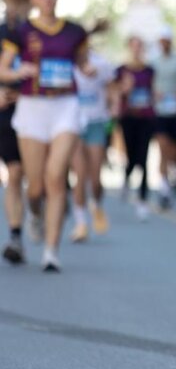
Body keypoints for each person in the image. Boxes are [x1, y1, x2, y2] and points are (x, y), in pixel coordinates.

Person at [0, 0, 91, 272]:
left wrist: (90, 71)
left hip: (65, 106)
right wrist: (18, 72)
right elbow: (3, 70)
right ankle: (34, 214)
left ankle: (51, 251)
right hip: (32, 108)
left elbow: (82, 62)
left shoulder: (74, 31)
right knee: (35, 186)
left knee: (56, 177)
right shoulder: (21, 32)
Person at [0, 0, 33, 265]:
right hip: (4, 114)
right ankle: (15, 235)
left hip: (32, 113)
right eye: (11, 0)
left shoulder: (36, 36)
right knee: (14, 174)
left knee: (31, 179)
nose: (15, 6)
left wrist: (25, 95)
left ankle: (37, 211)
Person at [71, 27, 113, 242]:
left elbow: (111, 84)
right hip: (74, 125)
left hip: (97, 123)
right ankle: (80, 223)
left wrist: (114, 106)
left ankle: (96, 204)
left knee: (95, 179)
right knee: (80, 175)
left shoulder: (102, 63)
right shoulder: (68, 63)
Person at [115, 36, 157, 221]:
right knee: (131, 156)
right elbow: (116, 94)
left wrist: (157, 100)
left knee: (144, 157)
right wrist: (126, 88)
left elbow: (153, 91)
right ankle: (126, 178)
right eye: (134, 47)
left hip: (146, 118)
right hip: (128, 117)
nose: (137, 50)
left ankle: (142, 200)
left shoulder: (149, 70)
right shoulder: (121, 71)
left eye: (140, 47)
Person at [151, 27, 176, 209]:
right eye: (161, 40)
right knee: (163, 148)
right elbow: (148, 84)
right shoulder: (154, 63)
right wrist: (154, 94)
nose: (164, 43)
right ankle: (164, 188)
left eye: (167, 40)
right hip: (161, 112)